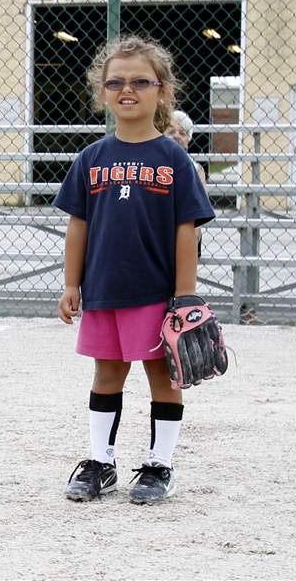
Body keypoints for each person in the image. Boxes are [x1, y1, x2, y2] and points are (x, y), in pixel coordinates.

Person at [54, 36, 215, 504]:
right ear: (102, 92)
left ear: (162, 91)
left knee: (161, 378)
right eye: (116, 82)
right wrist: (71, 283)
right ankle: (100, 462)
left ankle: (159, 465)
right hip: (103, 289)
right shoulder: (91, 158)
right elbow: (77, 226)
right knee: (107, 375)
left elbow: (188, 231)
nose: (128, 90)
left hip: (156, 293)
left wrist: (185, 297)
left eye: (141, 81)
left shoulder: (174, 160)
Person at [165, 109, 208, 251]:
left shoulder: (196, 169)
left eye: (182, 133)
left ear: (188, 141)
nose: (176, 136)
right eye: (171, 132)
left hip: (185, 231)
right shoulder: (150, 164)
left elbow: (198, 215)